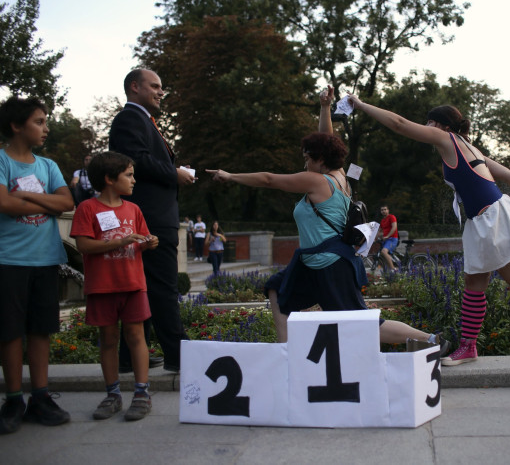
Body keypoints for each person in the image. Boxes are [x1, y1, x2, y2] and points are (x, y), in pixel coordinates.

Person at [347, 95, 510, 366]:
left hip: (489, 221)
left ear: (441, 126)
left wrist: (360, 105)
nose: (426, 128)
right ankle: (468, 347)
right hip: (487, 220)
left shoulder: (447, 140)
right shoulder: (471, 148)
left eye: (430, 123)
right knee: (474, 286)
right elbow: (509, 175)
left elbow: (398, 123)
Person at [205, 89, 447, 352]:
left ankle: (432, 340)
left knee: (362, 323)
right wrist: (324, 107)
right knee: (276, 288)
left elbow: (268, 179)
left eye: (307, 157)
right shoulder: (340, 176)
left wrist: (230, 176)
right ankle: (286, 353)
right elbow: (329, 139)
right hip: (313, 264)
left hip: (330, 266)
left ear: (320, 159)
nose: (304, 161)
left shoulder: (317, 181)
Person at [109, 68, 192, 373]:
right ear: (135, 87)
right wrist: (174, 173)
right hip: (150, 218)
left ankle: (131, 356)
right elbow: (135, 161)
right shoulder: (130, 118)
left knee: (142, 286)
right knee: (162, 287)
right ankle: (178, 353)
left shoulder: (144, 121)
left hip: (153, 216)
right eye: (155, 86)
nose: (161, 92)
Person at [0, 97, 74, 434]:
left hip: (46, 259)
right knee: (10, 330)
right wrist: (44, 202)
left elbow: (66, 202)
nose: (46, 128)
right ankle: (14, 398)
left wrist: (27, 198)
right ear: (17, 126)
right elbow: (3, 203)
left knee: (40, 328)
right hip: (9, 260)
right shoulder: (1, 160)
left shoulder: (47, 166)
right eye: (39, 122)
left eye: (46, 121)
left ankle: (40, 396)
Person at [70, 151, 159, 421]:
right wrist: (119, 242)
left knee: (136, 337)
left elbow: (142, 239)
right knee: (108, 341)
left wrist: (149, 242)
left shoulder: (133, 209)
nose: (134, 180)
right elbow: (83, 245)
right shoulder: (87, 208)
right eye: (129, 175)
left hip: (133, 285)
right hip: (102, 287)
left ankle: (142, 393)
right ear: (109, 179)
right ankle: (113, 394)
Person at [378, 205, 399, 272]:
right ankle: (389, 270)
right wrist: (375, 238)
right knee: (382, 254)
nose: (383, 211)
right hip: (386, 240)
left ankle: (393, 269)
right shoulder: (382, 220)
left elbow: (394, 227)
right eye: (382, 210)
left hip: (392, 239)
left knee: (384, 251)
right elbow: (379, 231)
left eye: (385, 209)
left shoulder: (391, 217)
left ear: (388, 210)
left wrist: (387, 236)